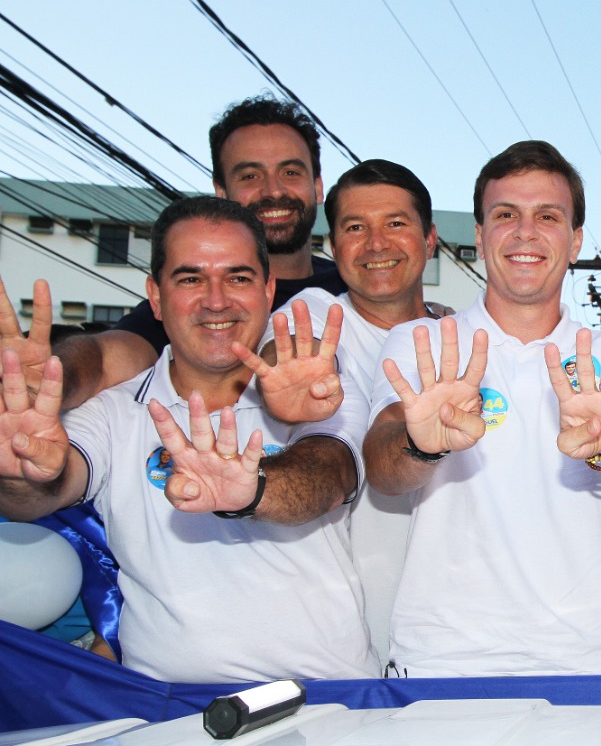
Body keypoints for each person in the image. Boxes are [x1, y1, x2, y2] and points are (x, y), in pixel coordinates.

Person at [0, 196, 377, 683]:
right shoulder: (115, 411)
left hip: (331, 698)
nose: (216, 300)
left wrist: (252, 490)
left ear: (268, 290)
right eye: (191, 279)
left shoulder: (320, 391)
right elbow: (41, 491)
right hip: (163, 707)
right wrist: (19, 470)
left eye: (238, 278)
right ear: (155, 297)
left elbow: (326, 477)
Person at [363, 140, 601, 677]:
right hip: (442, 657)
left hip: (594, 655)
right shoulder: (421, 342)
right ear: (480, 236)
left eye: (547, 216)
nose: (526, 232)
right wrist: (420, 445)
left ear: (575, 241)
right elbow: (383, 471)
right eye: (506, 215)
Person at [235, 158, 449, 667]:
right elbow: (290, 354)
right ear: (332, 246)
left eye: (395, 223)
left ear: (430, 239)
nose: (376, 244)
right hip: (351, 636)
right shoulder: (317, 313)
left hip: (456, 621)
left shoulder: (462, 337)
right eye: (355, 228)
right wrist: (290, 384)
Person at [4, 96, 346, 411]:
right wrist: (53, 380)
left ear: (317, 187)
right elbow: (108, 357)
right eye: (250, 175)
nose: (273, 190)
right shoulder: (191, 302)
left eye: (290, 172)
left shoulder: (354, 290)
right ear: (221, 191)